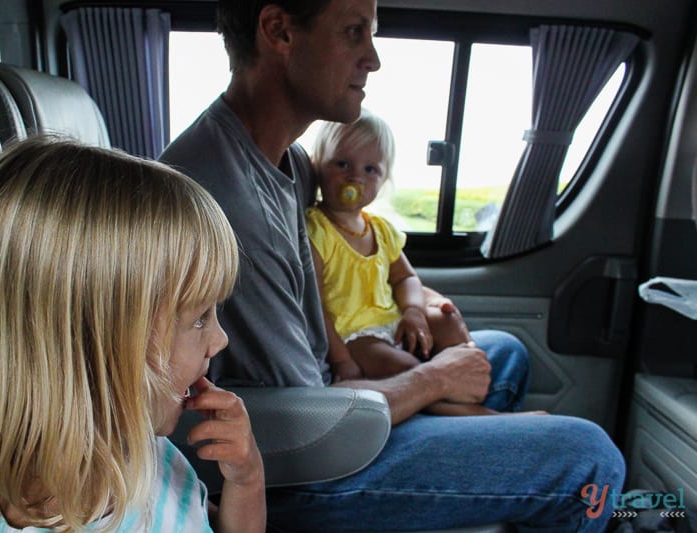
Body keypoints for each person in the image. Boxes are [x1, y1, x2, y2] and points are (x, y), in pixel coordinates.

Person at [161, 1, 626, 530]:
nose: (373, 59)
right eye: (355, 33)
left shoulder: (284, 161)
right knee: (586, 457)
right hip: (297, 465)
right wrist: (432, 379)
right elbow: (316, 427)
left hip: (317, 402)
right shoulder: (222, 198)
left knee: (507, 354)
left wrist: (419, 310)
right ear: (278, 30)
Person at [0, 137, 265, 532]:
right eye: (199, 319)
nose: (220, 340)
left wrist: (247, 481)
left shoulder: (139, 448)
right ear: (100, 348)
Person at [308, 109, 537, 416]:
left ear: (384, 178)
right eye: (342, 164)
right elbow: (316, 305)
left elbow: (405, 278)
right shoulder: (316, 230)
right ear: (317, 165)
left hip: (389, 323)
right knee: (405, 366)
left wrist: (415, 311)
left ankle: (466, 390)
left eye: (371, 169)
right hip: (353, 336)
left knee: (446, 322)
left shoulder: (381, 230)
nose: (355, 176)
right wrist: (341, 360)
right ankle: (468, 414)